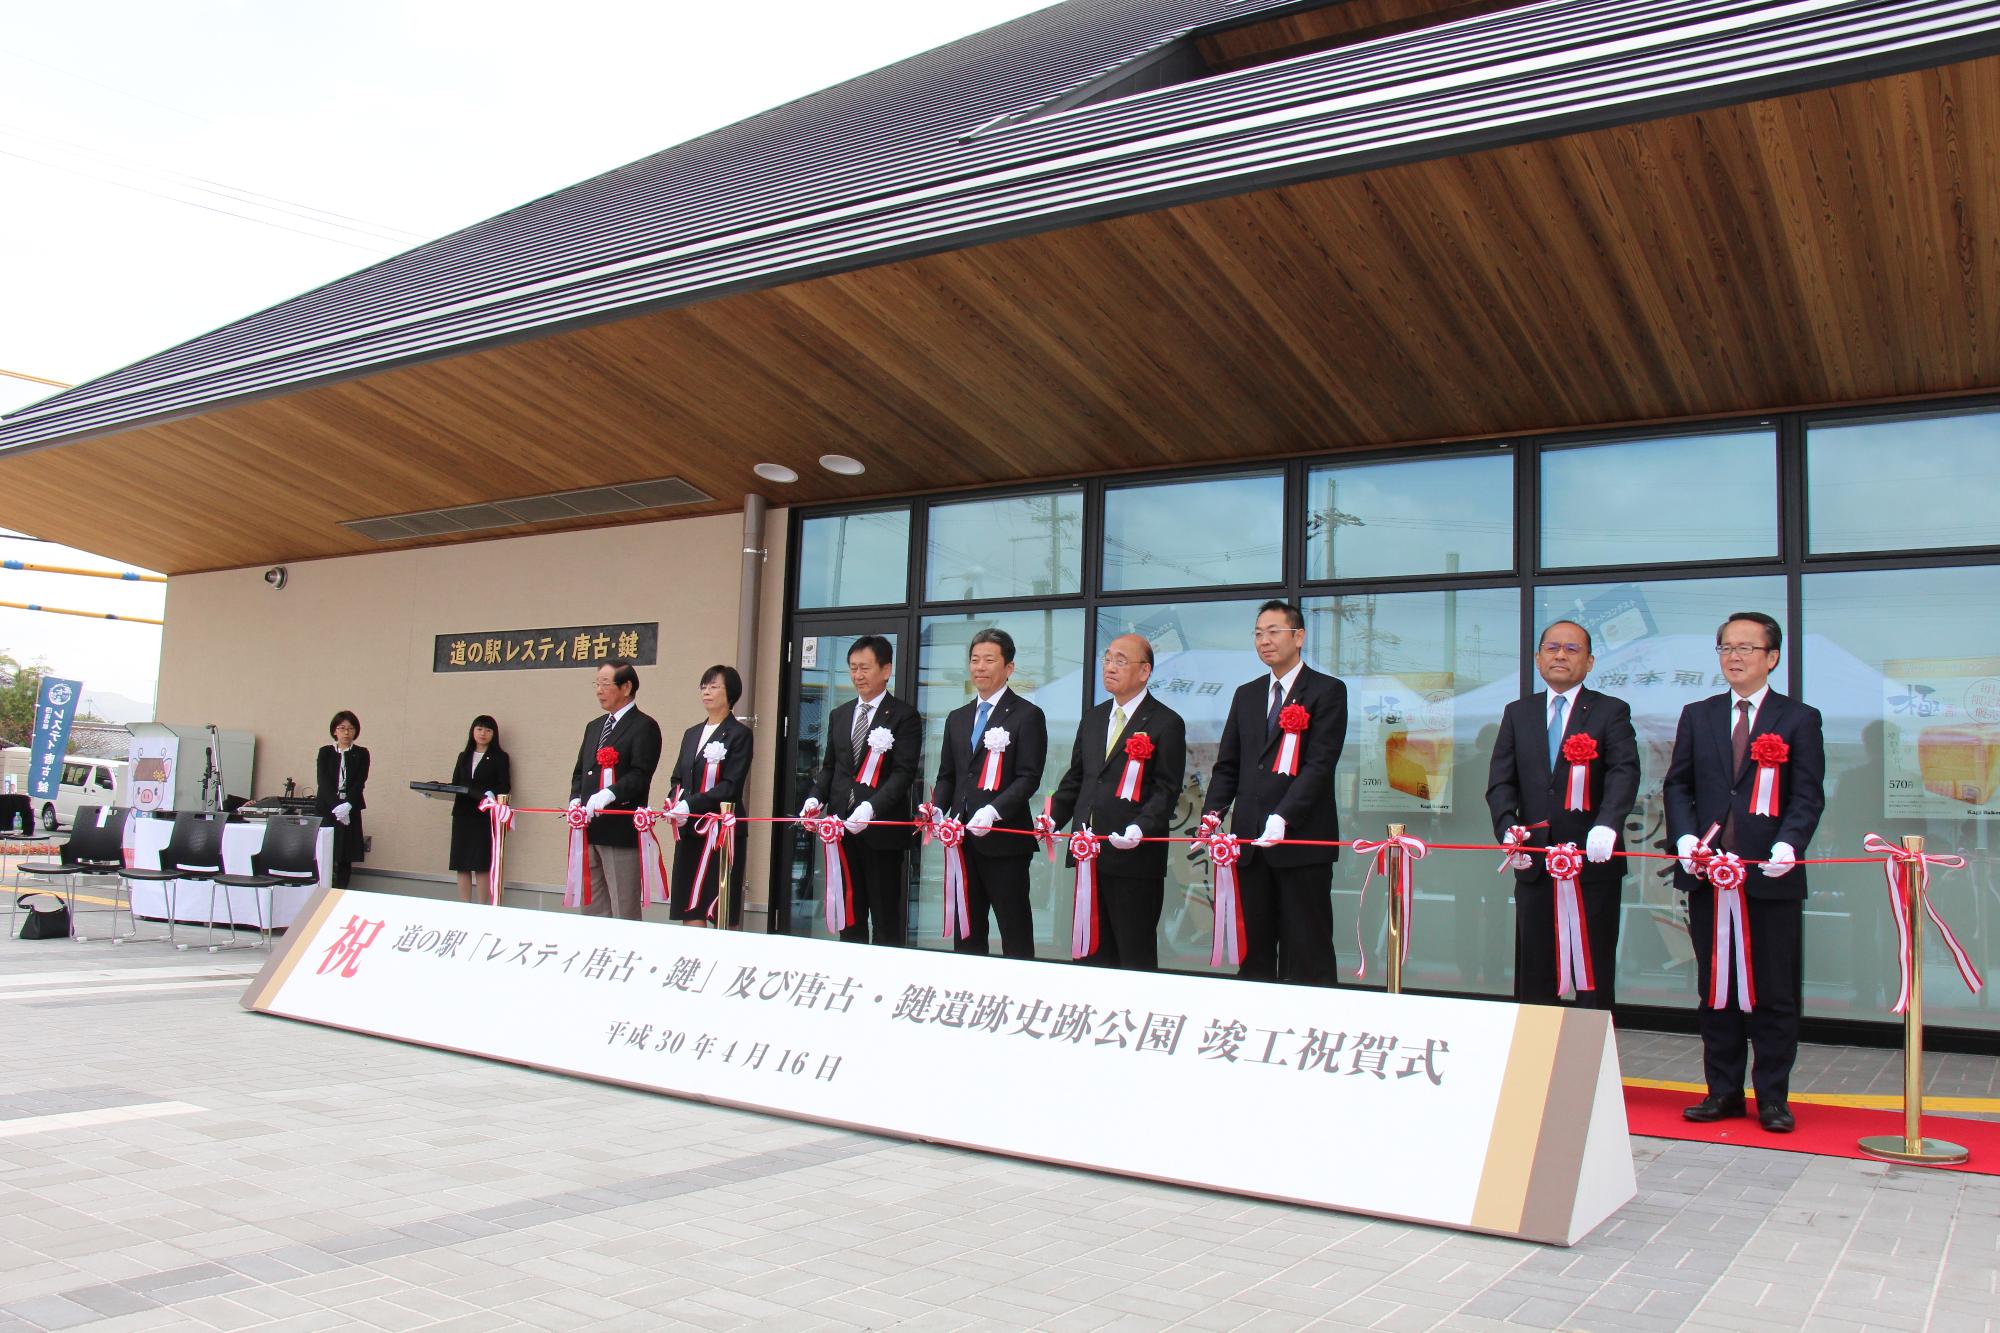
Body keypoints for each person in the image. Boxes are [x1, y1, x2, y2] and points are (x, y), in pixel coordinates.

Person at [1664, 611, 1826, 1134]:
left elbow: (1807, 795)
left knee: (1773, 990)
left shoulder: (1798, 718)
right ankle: (1723, 1092)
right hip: (1708, 875)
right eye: (1726, 648)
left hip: (1769, 877)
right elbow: (1678, 785)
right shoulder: (1699, 714)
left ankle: (1773, 1097)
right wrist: (1686, 837)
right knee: (1716, 988)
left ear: (1771, 657)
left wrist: (1788, 843)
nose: (1734, 657)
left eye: (1746, 648)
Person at [1485, 621, 1639, 1008]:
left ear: (1589, 662)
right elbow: (1501, 781)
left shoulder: (1611, 712)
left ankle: (1587, 1062)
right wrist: (1507, 829)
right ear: (1538, 658)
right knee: (1535, 971)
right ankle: (1534, 1060)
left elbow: (1624, 773)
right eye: (1551, 647)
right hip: (1534, 861)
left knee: (1592, 970)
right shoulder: (1519, 713)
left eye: (1572, 650)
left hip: (1592, 863)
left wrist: (1608, 824)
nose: (1560, 655)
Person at [1201, 600, 1347, 985]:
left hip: (1301, 841)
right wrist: (1212, 815)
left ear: (1298, 637)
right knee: (1255, 949)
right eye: (1258, 633)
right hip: (1249, 843)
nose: (1264, 641)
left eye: (1273, 632)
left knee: (1307, 948)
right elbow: (1228, 764)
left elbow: (1320, 765)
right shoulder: (1246, 694)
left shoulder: (1327, 691)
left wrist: (1283, 816)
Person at [1048, 632, 1187, 970]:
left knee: (1133, 954)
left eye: (1121, 661)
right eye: (1108, 658)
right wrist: (1052, 817)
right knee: (1091, 952)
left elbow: (1166, 790)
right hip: (1087, 856)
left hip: (1134, 860)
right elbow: (1078, 779)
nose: (1110, 666)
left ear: (1144, 672)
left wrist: (1141, 827)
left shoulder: (1166, 722)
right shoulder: (1094, 718)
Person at [931, 628, 1049, 958]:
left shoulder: (1027, 715)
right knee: (966, 929)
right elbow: (948, 775)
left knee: (1014, 929)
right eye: (974, 660)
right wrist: (939, 809)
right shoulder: (957, 718)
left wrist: (993, 810)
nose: (980, 667)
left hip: (1005, 843)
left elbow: (1029, 777)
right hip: (961, 842)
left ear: (1009, 668)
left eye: (989, 660)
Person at [801, 635, 922, 946]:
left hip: (881, 831)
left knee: (885, 918)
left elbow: (903, 773)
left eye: (865, 668)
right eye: (853, 668)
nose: (858, 675)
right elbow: (831, 767)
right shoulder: (840, 714)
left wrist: (871, 808)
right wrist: (815, 798)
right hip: (841, 830)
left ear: (886, 670)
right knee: (849, 915)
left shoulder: (903, 716)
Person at [568, 659, 663, 921]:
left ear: (626, 687)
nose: (599, 690)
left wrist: (610, 793)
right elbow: (581, 770)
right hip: (589, 827)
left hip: (620, 829)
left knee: (623, 906)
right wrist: (576, 798)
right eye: (596, 684)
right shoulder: (594, 726)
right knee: (593, 906)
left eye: (605, 684)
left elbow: (640, 774)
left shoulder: (644, 726)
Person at [665, 665, 754, 925]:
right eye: (704, 686)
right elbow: (678, 777)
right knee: (690, 904)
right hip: (691, 829)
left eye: (714, 687)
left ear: (731, 694)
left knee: (720, 904)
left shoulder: (739, 734)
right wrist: (675, 801)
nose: (707, 692)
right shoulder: (691, 733)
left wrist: (689, 804)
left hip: (721, 832)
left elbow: (731, 786)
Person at [448, 715, 512, 904]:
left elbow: (505, 786)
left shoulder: (500, 757)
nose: (483, 733)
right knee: (462, 863)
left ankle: (483, 906)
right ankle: (464, 904)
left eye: (488, 730)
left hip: (484, 815)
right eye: (479, 729)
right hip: (462, 813)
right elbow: (455, 784)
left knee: (481, 863)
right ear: (472, 731)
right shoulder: (464, 756)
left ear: (494, 734)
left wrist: (490, 794)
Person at [315, 711, 370, 889]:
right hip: (328, 808)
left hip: (350, 808)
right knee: (326, 851)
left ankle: (340, 892)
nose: (346, 733)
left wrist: (347, 805)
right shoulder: (325, 752)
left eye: (351, 728)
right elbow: (323, 781)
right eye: (342, 728)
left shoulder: (361, 753)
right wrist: (336, 806)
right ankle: (323, 890)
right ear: (334, 731)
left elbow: (360, 781)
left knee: (346, 854)